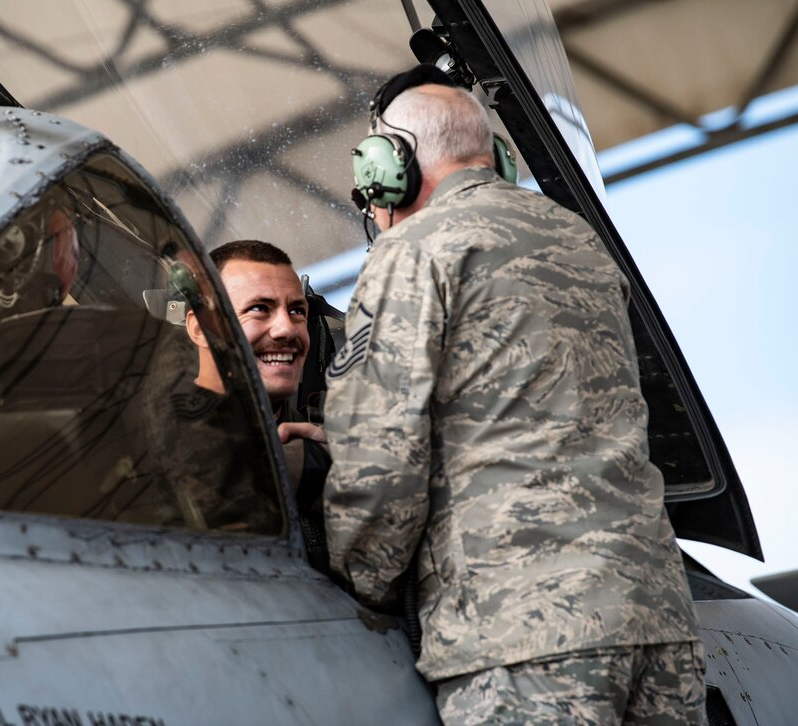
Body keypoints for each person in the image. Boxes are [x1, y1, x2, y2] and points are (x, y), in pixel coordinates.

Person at [323, 65, 705, 724]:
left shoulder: (417, 249)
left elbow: (382, 463)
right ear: (493, 155)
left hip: (525, 631)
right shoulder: (580, 242)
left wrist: (360, 579)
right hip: (658, 618)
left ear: (392, 164)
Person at [185, 240, 331, 549]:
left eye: (296, 311)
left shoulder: (323, 436)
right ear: (200, 328)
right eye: (259, 309)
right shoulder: (148, 436)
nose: (286, 329)